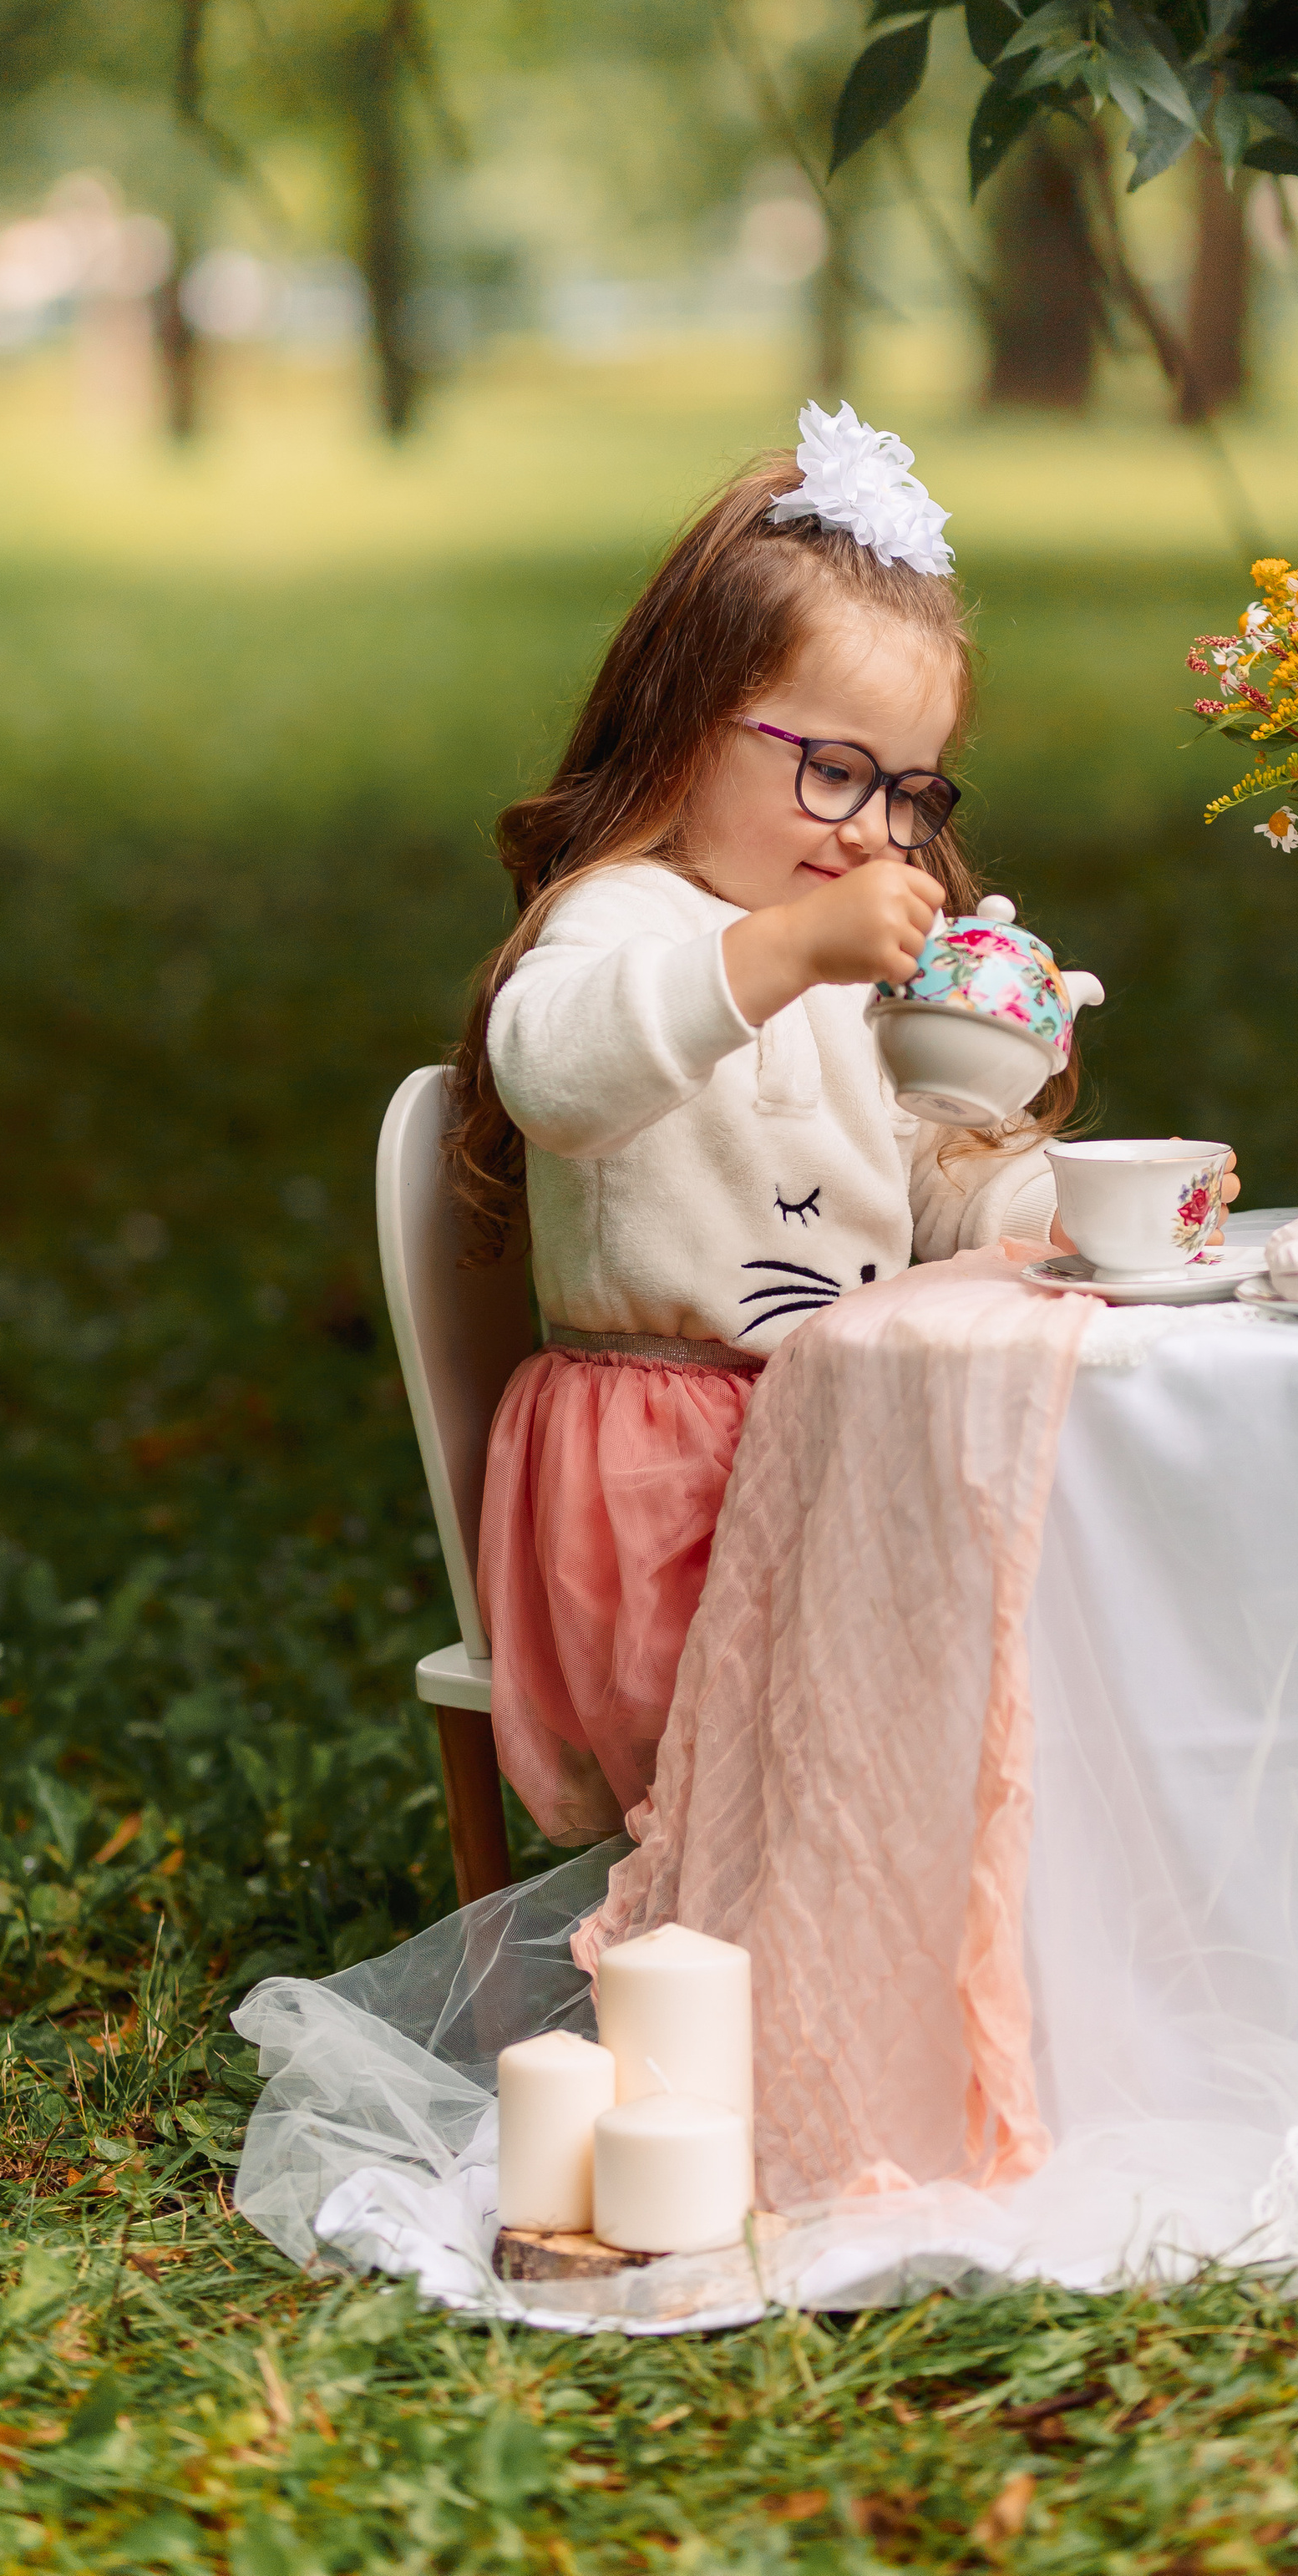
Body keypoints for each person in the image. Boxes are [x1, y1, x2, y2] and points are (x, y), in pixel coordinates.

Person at [444, 403, 1072, 1845]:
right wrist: (787, 956)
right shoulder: (630, 919)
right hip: (658, 1472)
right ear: (682, 725)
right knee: (805, 1778)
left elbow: (909, 1174)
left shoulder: (830, 950)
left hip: (826, 1435)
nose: (873, 834)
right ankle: (746, 1964)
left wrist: (1052, 1196)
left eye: (911, 795)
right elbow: (553, 1070)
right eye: (833, 770)